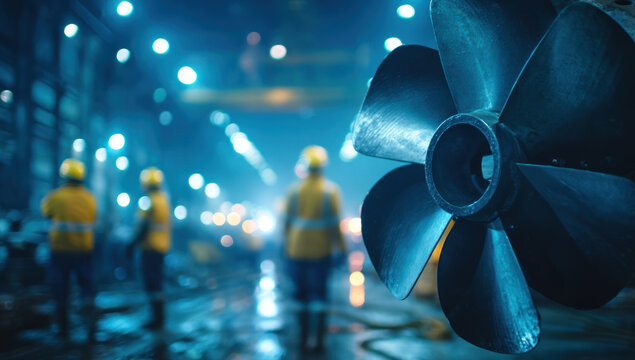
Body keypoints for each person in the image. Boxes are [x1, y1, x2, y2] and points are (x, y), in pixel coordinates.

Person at [284, 145, 347, 353]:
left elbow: (286, 224)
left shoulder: (293, 190)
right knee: (318, 297)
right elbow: (334, 225)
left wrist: (283, 248)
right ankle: (318, 342)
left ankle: (302, 341)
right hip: (321, 252)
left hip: (296, 251)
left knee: (300, 297)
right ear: (322, 167)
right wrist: (342, 250)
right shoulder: (330, 191)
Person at [41, 158, 97, 340]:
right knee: (86, 284)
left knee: (60, 286)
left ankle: (62, 329)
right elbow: (94, 218)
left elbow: (46, 213)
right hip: (83, 250)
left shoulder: (55, 196)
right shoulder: (89, 199)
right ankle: (89, 320)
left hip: (60, 250)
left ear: (64, 176)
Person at [127, 167, 171, 329]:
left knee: (151, 283)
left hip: (150, 248)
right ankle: (159, 318)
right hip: (161, 248)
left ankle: (156, 319)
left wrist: (132, 244)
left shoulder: (148, 201)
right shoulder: (164, 200)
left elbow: (143, 225)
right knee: (157, 283)